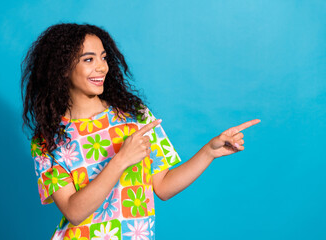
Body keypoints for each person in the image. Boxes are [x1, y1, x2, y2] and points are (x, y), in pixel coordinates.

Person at [21, 23, 260, 240]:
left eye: (103, 57)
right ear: (62, 68)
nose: (101, 67)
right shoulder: (47, 140)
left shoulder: (135, 115)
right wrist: (121, 160)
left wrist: (209, 151)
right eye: (88, 59)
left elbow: (163, 187)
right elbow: (74, 212)